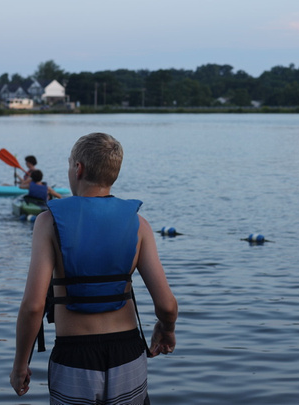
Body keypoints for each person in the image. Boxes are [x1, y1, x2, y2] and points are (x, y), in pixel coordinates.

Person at [10, 132, 178, 403]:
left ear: (78, 168)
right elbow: (167, 305)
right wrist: (166, 329)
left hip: (75, 357)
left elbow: (33, 306)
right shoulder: (140, 225)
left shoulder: (47, 222)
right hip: (128, 353)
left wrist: (20, 364)